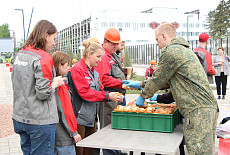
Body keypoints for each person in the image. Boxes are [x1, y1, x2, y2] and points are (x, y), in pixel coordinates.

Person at [124, 23, 219, 154]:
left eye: (157, 39)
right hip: (205, 109)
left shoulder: (171, 51)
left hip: (198, 110)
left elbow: (158, 79)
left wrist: (142, 96)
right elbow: (166, 80)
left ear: (164, 36)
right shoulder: (182, 50)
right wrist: (140, 84)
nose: (156, 43)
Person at [11, 20, 66, 155]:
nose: (54, 43)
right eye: (53, 39)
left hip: (20, 117)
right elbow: (43, 93)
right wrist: (54, 83)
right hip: (39, 121)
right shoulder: (44, 58)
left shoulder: (21, 54)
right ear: (45, 36)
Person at [67, 39, 122, 155]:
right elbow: (85, 93)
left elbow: (99, 90)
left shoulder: (94, 72)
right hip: (79, 119)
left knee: (91, 151)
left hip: (91, 119)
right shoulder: (77, 70)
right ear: (89, 55)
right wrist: (107, 96)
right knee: (79, 151)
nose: (100, 60)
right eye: (98, 56)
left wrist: (113, 95)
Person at [96, 28, 128, 155]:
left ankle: (116, 151)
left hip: (115, 96)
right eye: (113, 43)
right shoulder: (103, 56)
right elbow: (103, 79)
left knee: (115, 126)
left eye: (117, 43)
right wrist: (122, 83)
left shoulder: (111, 55)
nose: (116, 46)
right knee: (108, 128)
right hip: (108, 97)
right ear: (105, 42)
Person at [52, 51, 82, 155]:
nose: (69, 68)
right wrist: (74, 132)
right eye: (67, 65)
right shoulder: (60, 85)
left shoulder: (52, 83)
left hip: (55, 134)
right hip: (64, 137)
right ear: (60, 65)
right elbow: (66, 110)